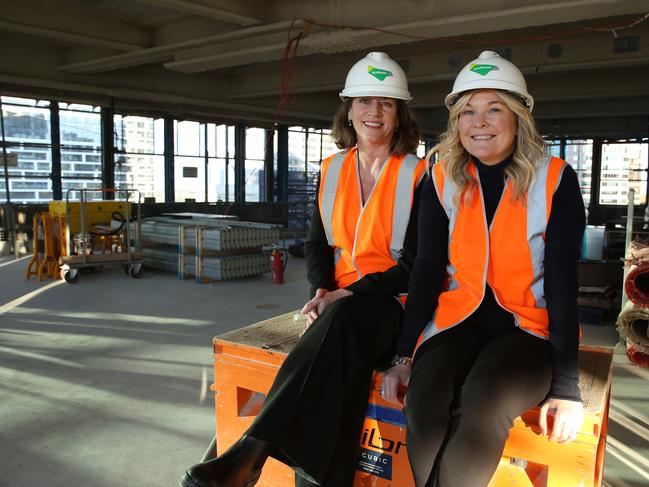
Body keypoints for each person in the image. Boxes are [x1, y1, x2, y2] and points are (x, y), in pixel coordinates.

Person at [180, 51, 428, 487]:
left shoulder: (421, 175)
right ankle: (312, 477)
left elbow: (416, 266)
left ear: (399, 114)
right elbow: (316, 244)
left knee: (342, 323)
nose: (374, 112)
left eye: (386, 103)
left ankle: (247, 453)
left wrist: (343, 296)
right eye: (365, 101)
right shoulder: (332, 170)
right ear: (348, 110)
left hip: (395, 305)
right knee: (338, 356)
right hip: (341, 305)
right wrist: (321, 289)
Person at [381, 50, 586, 487]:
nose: (480, 122)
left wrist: (568, 387)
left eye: (494, 109)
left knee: (485, 398)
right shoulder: (441, 178)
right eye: (468, 111)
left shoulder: (555, 179)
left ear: (517, 118)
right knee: (425, 400)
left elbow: (565, 284)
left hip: (526, 329)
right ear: (456, 123)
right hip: (457, 320)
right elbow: (427, 270)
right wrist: (402, 356)